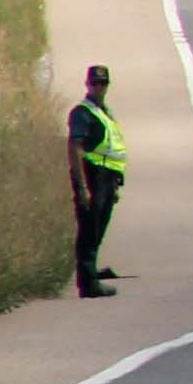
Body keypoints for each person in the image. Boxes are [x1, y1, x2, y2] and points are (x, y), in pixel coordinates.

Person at [67, 64, 125, 299]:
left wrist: (116, 183)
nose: (99, 87)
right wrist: (82, 187)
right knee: (90, 229)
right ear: (87, 84)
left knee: (99, 227)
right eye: (95, 83)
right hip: (93, 175)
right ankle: (88, 282)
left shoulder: (104, 112)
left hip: (108, 177)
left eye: (103, 83)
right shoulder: (82, 112)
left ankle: (91, 272)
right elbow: (74, 147)